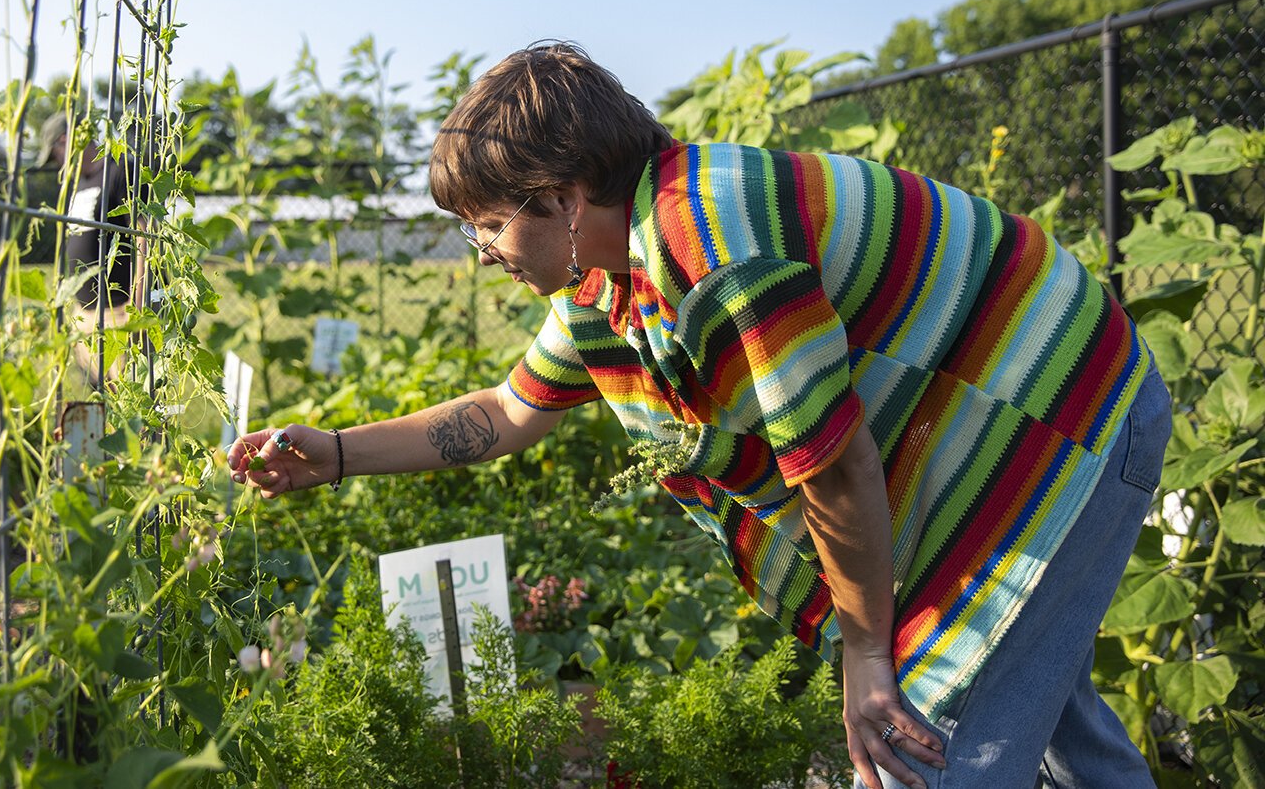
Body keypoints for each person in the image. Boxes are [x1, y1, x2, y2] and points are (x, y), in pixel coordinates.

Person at [226, 43, 1168, 789]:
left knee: (935, 751)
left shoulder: (709, 244)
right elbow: (508, 413)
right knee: (1059, 736)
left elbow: (834, 466)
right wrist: (338, 453)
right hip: (1026, 441)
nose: (480, 251)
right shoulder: (607, 281)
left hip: (1067, 418)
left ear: (559, 199)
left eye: (487, 223)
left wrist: (867, 657)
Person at [36, 111, 146, 388]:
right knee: (101, 401)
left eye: (55, 155)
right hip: (85, 315)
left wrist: (138, 306)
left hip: (119, 313)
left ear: (66, 141)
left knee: (131, 401)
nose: (58, 164)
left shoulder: (121, 170)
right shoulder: (78, 184)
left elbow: (146, 237)